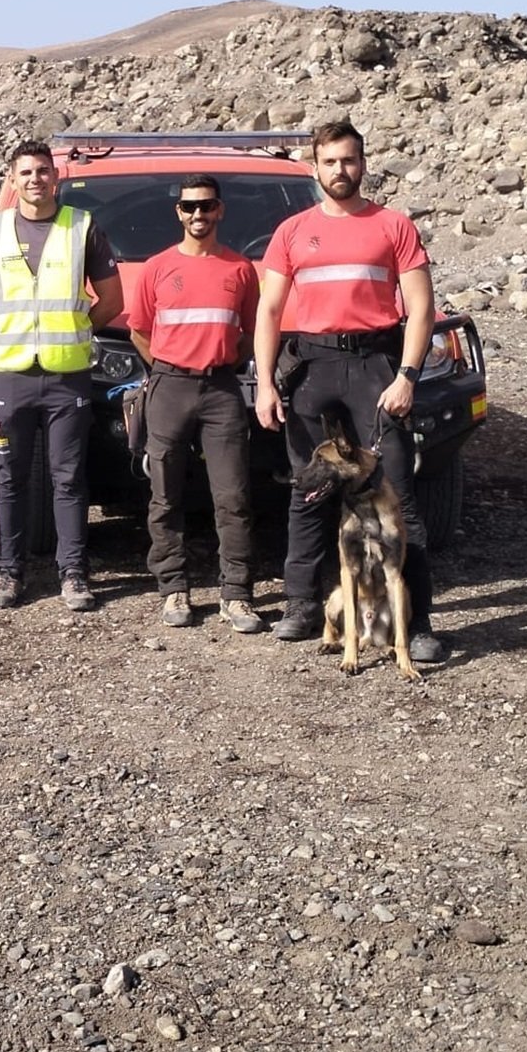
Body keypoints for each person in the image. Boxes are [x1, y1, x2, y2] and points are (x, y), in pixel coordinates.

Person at [253, 120, 446, 658]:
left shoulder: (394, 226)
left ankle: (420, 622)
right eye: (331, 161)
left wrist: (407, 376)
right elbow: (269, 310)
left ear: (363, 163)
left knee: (399, 497)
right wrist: (265, 382)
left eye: (350, 160)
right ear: (315, 167)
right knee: (309, 488)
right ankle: (303, 606)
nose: (341, 170)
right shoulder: (292, 231)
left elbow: (421, 307)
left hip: (374, 368)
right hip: (312, 366)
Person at [0, 140, 122, 611]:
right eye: (26, 173)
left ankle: (74, 575)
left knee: (68, 478)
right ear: (13, 180)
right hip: (10, 377)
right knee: (9, 478)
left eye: (43, 171)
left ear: (54, 177)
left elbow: (113, 299)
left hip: (67, 379)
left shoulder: (82, 228)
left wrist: (78, 329)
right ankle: (9, 572)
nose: (36, 179)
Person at [125, 175, 263, 632]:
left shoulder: (241, 269)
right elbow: (139, 331)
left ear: (220, 210)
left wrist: (218, 363)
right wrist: (169, 364)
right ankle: (173, 589)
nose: (198, 215)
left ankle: (237, 595)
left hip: (221, 389)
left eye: (206, 207)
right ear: (178, 212)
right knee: (165, 494)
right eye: (190, 208)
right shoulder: (157, 267)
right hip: (169, 386)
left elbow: (250, 334)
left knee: (233, 495)